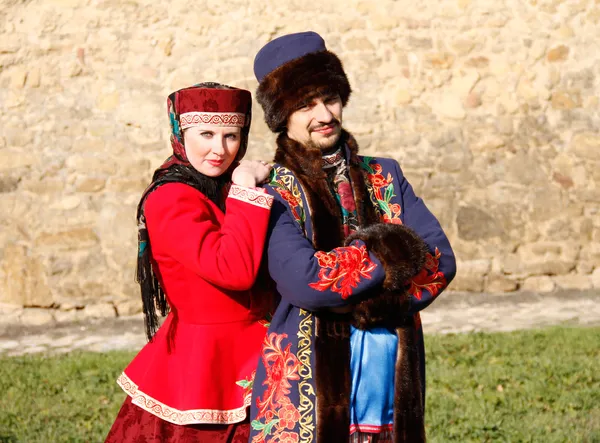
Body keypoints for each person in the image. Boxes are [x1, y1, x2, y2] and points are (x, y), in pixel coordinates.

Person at [248, 32, 457, 443]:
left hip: (394, 368)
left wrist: (369, 300)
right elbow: (306, 281)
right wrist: (391, 252)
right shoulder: (272, 190)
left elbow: (439, 260)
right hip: (305, 380)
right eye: (306, 105)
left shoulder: (386, 174)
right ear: (282, 116)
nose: (324, 114)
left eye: (330, 99)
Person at [105, 82, 274, 442]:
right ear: (181, 134)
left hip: (261, 352)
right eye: (207, 134)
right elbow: (234, 269)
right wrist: (246, 187)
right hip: (203, 364)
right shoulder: (170, 197)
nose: (219, 149)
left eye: (231, 135)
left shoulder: (221, 187)